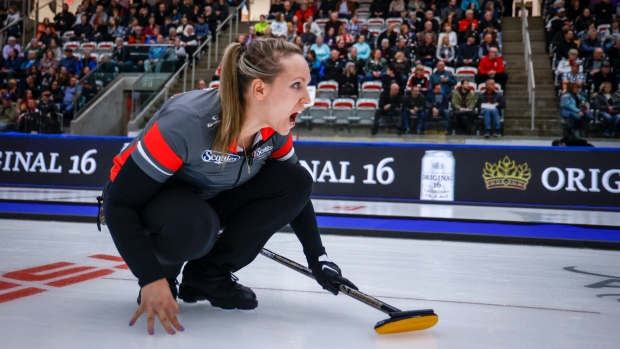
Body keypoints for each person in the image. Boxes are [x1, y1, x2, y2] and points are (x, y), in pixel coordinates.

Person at [101, 38, 357, 336]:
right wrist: (151, 278)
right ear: (260, 89)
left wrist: (318, 259)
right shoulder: (188, 123)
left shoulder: (273, 128)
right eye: (296, 86)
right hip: (149, 201)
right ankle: (167, 271)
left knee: (296, 178)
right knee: (195, 225)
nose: (308, 99)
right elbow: (119, 204)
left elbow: (294, 191)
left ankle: (208, 275)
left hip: (206, 199)